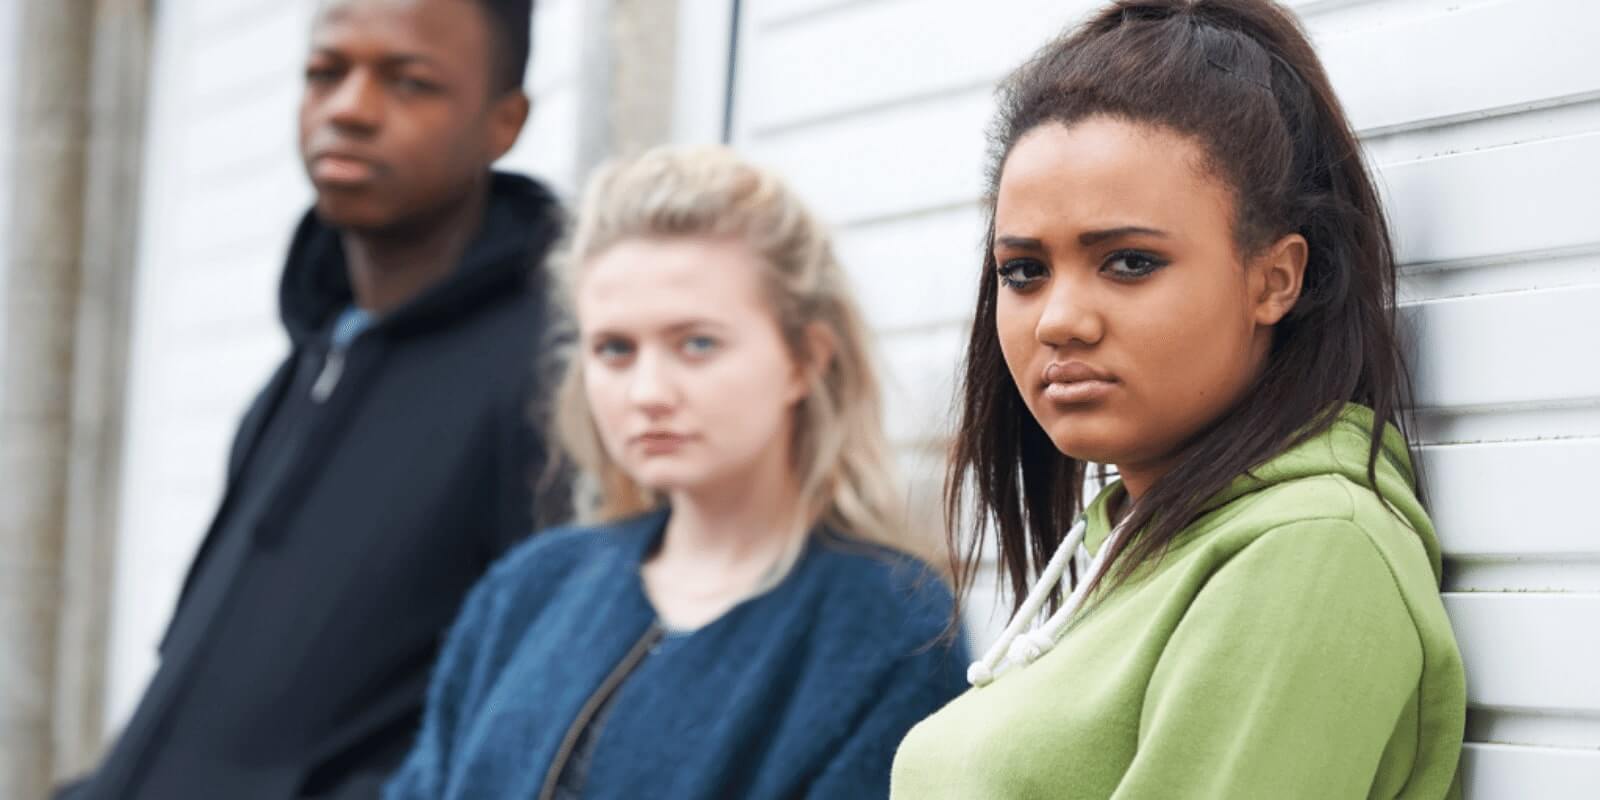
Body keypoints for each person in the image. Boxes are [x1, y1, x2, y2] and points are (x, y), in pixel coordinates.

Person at [891, 1, 1467, 797]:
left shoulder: (1312, 553)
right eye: (1024, 271)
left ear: (1275, 278)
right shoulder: (1136, 545)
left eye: (1129, 263)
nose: (1060, 320)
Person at [59, 1, 567, 797]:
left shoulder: (546, 378)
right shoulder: (308, 363)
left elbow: (533, 712)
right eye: (325, 73)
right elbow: (197, 690)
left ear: (503, 122)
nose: (349, 109)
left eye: (409, 82)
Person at [384, 145, 970, 800]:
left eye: (697, 343)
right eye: (614, 349)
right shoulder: (528, 591)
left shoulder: (894, 632)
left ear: (805, 359)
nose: (647, 392)